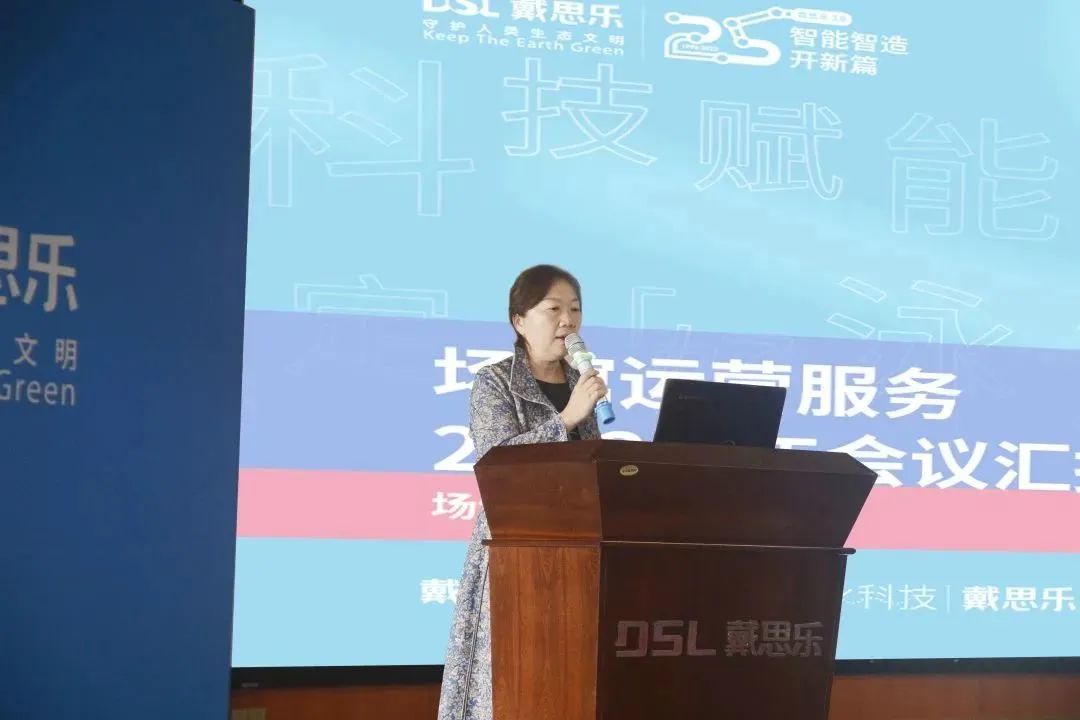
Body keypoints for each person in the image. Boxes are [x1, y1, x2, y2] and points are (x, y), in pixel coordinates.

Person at [436, 265, 609, 720]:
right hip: (512, 550)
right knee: (507, 676)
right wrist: (566, 419)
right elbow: (497, 463)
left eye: (575, 309)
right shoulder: (494, 382)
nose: (568, 321)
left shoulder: (579, 385)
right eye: (553, 309)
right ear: (519, 320)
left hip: (576, 549)